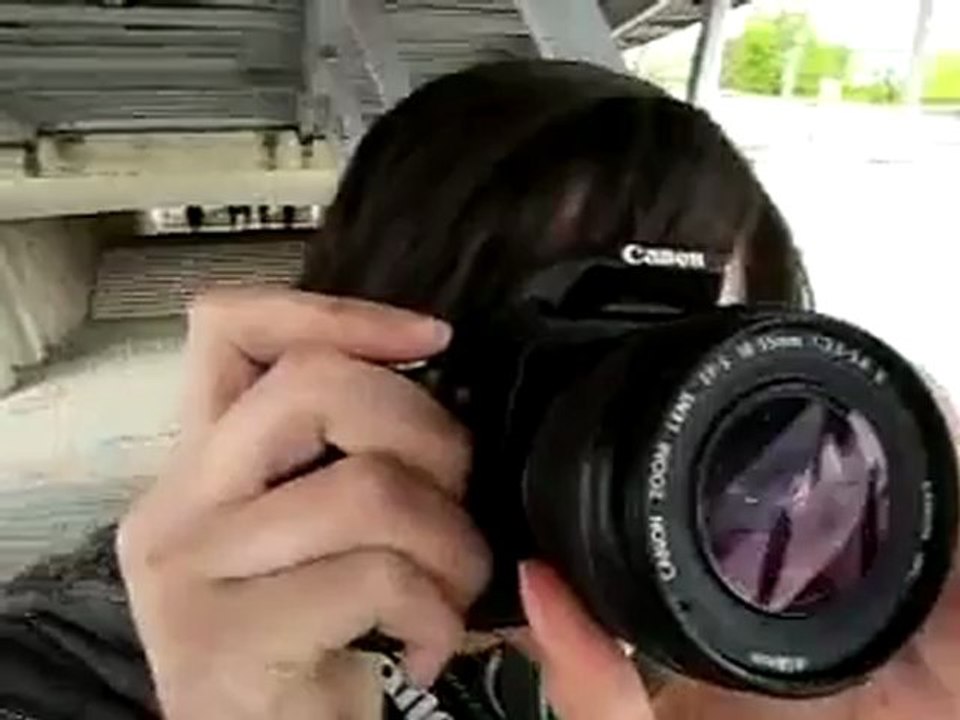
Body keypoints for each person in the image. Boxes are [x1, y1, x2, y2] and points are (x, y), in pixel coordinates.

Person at [0, 59, 956, 720]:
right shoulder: (74, 659)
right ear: (337, 358)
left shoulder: (696, 665)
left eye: (716, 413)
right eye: (546, 381)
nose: (646, 474)